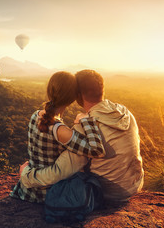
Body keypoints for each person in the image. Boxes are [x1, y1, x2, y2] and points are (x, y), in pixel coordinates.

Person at [20, 70, 144, 201]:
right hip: (135, 185)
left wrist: (27, 176)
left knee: (74, 169)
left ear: (77, 95)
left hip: (107, 193)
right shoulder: (125, 113)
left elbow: (60, 172)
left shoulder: (84, 127)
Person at [10, 71, 105, 203]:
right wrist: (87, 120)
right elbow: (97, 151)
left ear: (50, 91)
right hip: (49, 193)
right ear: (73, 98)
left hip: (27, 191)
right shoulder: (61, 130)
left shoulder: (35, 115)